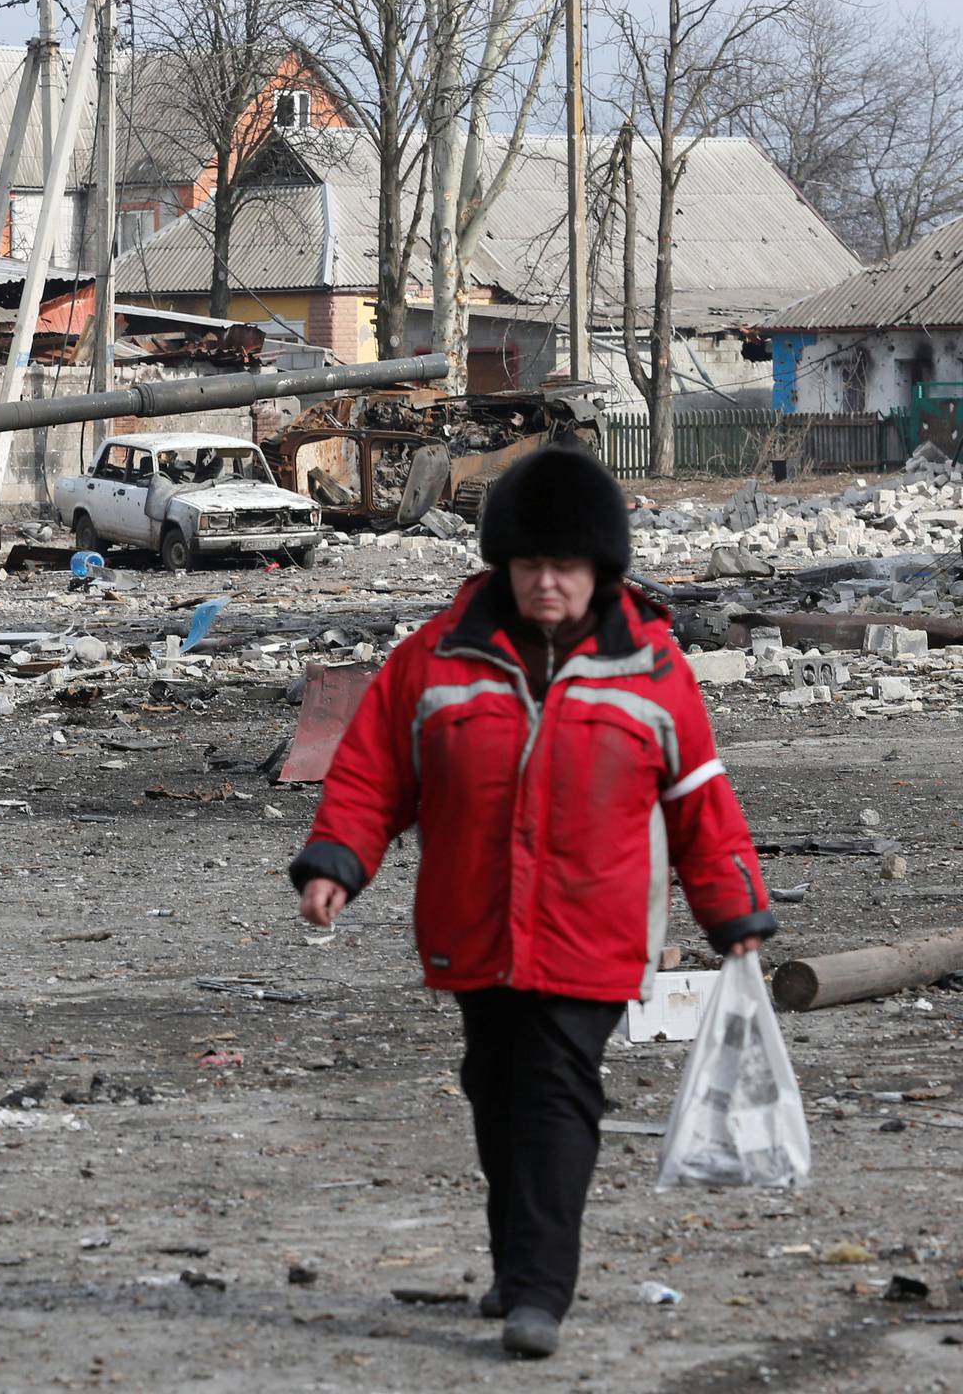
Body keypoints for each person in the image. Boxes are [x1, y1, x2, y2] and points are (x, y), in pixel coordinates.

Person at [288, 445, 776, 1359]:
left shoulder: (652, 669)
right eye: (530, 566)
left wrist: (735, 918)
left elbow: (701, 801)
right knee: (495, 1089)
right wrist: (336, 865)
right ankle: (517, 1271)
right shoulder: (436, 658)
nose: (547, 584)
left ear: (601, 571)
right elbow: (372, 773)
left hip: (597, 929)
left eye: (566, 567)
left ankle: (541, 1292)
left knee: (557, 1089)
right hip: (475, 921)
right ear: (503, 566)